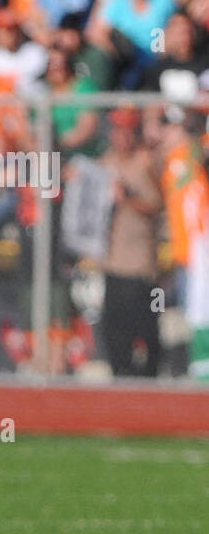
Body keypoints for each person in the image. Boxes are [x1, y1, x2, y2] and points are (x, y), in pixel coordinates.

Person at [99, 109, 163, 378]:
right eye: (118, 131)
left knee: (147, 319)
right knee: (113, 321)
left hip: (140, 260)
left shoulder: (145, 163)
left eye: (128, 131)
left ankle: (150, 372)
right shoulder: (105, 163)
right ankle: (119, 370)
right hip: (112, 257)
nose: (122, 137)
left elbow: (157, 204)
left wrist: (126, 198)